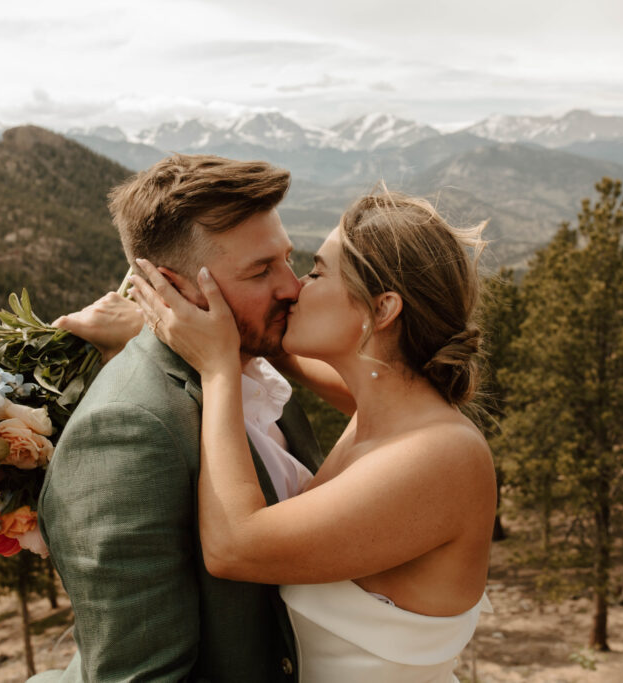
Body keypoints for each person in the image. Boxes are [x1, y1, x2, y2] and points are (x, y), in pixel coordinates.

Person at [131, 191, 496, 682]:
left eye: (318, 272)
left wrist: (218, 369)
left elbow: (234, 547)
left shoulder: (444, 456)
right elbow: (350, 382)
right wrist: (227, 331)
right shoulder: (385, 415)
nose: (294, 288)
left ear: (382, 308)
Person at [32, 154, 324, 682]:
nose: (292, 287)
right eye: (260, 271)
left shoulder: (257, 372)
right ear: (173, 287)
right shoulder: (123, 433)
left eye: (287, 258)